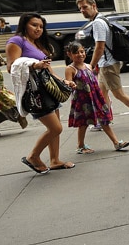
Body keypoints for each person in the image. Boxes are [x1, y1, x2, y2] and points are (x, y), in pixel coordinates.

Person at [6, 12, 76, 173]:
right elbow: (12, 67)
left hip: (48, 89)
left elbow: (49, 70)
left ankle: (55, 160)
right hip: (35, 93)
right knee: (56, 128)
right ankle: (33, 156)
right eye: (34, 25)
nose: (38, 29)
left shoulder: (38, 43)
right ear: (24, 25)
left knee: (56, 128)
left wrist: (63, 81)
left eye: (41, 26)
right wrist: (32, 66)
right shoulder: (17, 41)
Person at [75, 0, 129, 132]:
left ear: (94, 6)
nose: (82, 10)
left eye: (85, 7)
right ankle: (103, 120)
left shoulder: (98, 22)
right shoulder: (101, 19)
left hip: (109, 65)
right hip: (105, 64)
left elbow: (100, 46)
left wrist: (91, 65)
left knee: (119, 94)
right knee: (101, 93)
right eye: (80, 8)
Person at [64, 41, 129, 154]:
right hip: (82, 100)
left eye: (82, 51)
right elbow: (68, 81)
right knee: (83, 123)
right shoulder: (70, 69)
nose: (80, 54)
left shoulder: (88, 66)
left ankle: (116, 142)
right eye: (76, 53)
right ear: (69, 54)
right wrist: (70, 83)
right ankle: (80, 146)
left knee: (104, 119)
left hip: (95, 98)